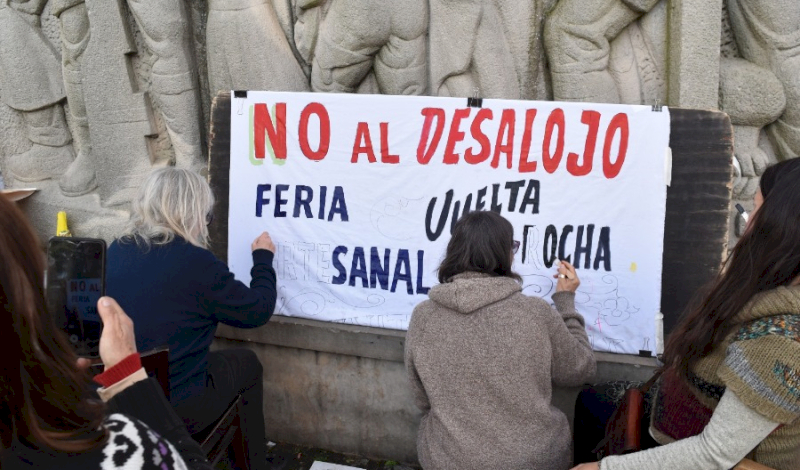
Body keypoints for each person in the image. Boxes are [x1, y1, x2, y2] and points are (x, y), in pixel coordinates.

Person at [573, 159, 800, 470]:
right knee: (592, 401)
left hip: (688, 452)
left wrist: (603, 469)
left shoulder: (781, 343)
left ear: (782, 228)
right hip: (669, 424)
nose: (746, 226)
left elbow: (714, 455)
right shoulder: (769, 292)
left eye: (754, 211)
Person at [0, 191, 212, 469]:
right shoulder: (112, 446)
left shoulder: (121, 247)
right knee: (246, 364)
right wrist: (128, 375)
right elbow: (253, 312)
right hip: (176, 394)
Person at [106, 168, 277, 469]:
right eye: (206, 215)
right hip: (179, 407)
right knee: (247, 364)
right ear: (193, 213)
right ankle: (253, 464)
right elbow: (257, 310)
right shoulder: (196, 262)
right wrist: (263, 260)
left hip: (123, 401)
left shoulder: (116, 250)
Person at [405, 210, 597, 470]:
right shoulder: (535, 313)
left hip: (448, 459)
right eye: (513, 247)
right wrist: (565, 303)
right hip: (533, 460)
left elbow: (421, 399)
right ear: (505, 255)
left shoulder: (423, 316)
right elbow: (580, 369)